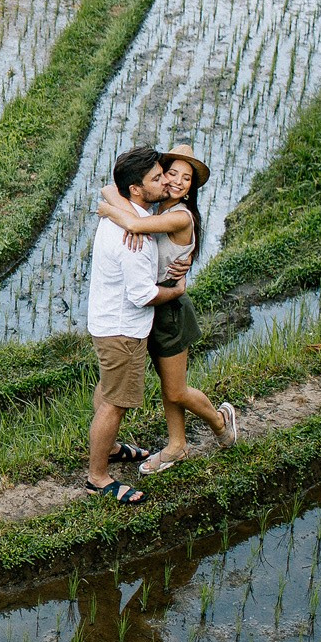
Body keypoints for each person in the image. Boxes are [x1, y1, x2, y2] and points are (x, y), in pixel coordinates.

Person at [94, 142, 239, 474]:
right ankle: (177, 446)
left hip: (169, 310)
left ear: (191, 189)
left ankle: (220, 423)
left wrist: (109, 210)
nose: (176, 181)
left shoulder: (178, 216)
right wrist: (116, 201)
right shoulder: (157, 209)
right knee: (164, 388)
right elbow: (112, 188)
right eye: (170, 173)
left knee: (175, 390)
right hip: (151, 308)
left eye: (186, 178)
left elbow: (133, 225)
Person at [85, 145, 180, 503]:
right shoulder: (134, 239)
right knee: (116, 402)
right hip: (123, 329)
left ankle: (108, 451)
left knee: (109, 389)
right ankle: (97, 476)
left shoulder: (128, 215)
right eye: (157, 178)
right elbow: (143, 294)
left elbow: (110, 191)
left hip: (106, 320)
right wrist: (176, 290)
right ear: (137, 190)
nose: (165, 182)